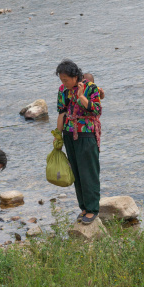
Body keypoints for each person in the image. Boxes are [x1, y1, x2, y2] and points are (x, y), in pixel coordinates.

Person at [56, 59, 102, 225]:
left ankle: (92, 208)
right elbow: (61, 112)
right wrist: (58, 136)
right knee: (76, 172)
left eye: (66, 80)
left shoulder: (90, 88)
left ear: (75, 76)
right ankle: (83, 207)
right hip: (69, 134)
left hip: (86, 134)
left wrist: (81, 96)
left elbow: (97, 109)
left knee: (88, 172)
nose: (64, 83)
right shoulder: (62, 90)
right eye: (62, 80)